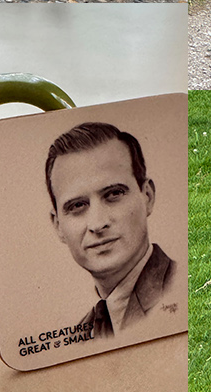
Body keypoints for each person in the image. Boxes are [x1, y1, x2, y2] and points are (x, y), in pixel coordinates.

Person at [46, 122, 177, 340]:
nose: (97, 224)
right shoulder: (83, 335)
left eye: (113, 194)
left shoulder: (180, 293)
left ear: (147, 197)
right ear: (58, 225)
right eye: (77, 206)